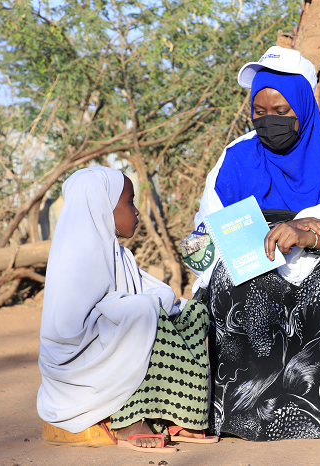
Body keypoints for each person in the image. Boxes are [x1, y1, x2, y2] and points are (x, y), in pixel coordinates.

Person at [182, 46, 320, 441]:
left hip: (318, 253)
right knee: (240, 279)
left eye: (280, 112)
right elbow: (204, 237)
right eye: (259, 112)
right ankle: (249, 414)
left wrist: (309, 233)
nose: (268, 122)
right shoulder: (235, 158)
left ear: (304, 106)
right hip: (257, 256)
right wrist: (256, 234)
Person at [37, 167, 216, 453]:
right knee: (141, 312)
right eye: (130, 202)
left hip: (113, 344)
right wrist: (142, 306)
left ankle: (179, 415)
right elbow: (69, 333)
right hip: (78, 367)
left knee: (191, 312)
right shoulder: (73, 258)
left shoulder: (118, 254)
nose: (135, 211)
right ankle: (128, 421)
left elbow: (153, 292)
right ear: (102, 207)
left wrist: (163, 304)